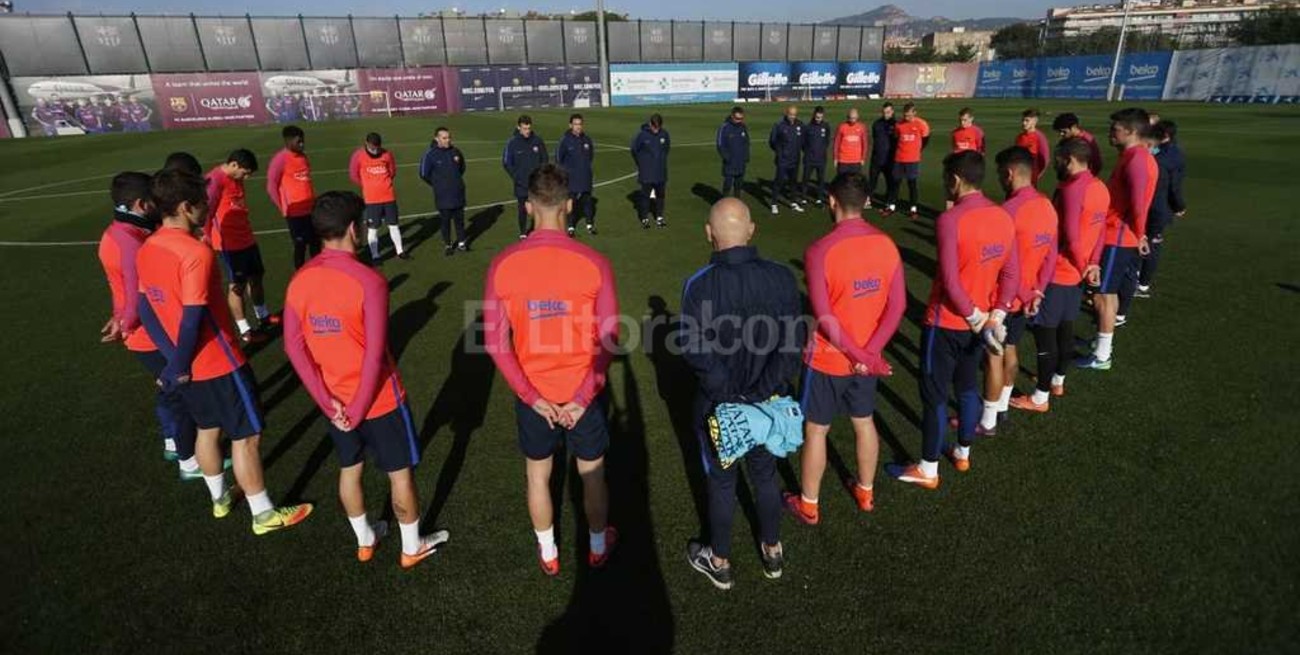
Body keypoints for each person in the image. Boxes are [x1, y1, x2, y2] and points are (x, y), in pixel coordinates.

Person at [136, 169, 313, 533]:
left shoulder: (148, 247)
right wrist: (180, 362)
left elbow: (145, 308)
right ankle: (263, 515)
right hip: (219, 363)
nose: (208, 207)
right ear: (185, 207)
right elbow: (192, 317)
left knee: (207, 429)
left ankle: (219, 499)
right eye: (203, 202)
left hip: (186, 366)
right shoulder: (195, 252)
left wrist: (173, 361)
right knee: (246, 436)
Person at [283, 191, 450, 568]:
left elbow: (294, 348)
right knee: (400, 474)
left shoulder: (299, 280)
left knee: (350, 467)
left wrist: (328, 403)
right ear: (353, 229)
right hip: (379, 400)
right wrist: (358, 407)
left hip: (334, 402)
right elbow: (374, 353)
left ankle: (365, 540)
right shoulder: (369, 281)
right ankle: (411, 547)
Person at [483, 163, 619, 577]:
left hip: (535, 393)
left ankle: (548, 553)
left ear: (528, 207)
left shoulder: (503, 263)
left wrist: (531, 397)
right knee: (591, 474)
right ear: (569, 205)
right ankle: (597, 546)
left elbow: (495, 342)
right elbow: (610, 338)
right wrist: (581, 398)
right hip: (584, 393)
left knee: (537, 475)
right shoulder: (594, 261)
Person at [680, 198, 806, 590]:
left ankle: (719, 560)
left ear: (709, 233)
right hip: (765, 403)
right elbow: (792, 346)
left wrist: (731, 394)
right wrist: (760, 392)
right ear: (751, 230)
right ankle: (772, 550)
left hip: (723, 404)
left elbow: (695, 349)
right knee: (764, 474)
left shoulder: (699, 284)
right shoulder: (782, 277)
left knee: (722, 481)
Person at [889, 151, 1018, 487]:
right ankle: (963, 453)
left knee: (934, 395)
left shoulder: (951, 219)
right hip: (983, 324)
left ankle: (928, 469)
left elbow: (950, 280)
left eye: (947, 178)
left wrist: (976, 318)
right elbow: (1011, 273)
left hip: (946, 322)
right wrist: (995, 316)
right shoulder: (1003, 216)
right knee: (967, 387)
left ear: (956, 179)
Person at [783, 173, 905, 525]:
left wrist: (858, 356)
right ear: (866, 201)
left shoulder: (819, 250)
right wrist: (870, 355)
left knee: (816, 430)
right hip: (868, 357)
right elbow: (897, 306)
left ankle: (809, 504)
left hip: (829, 358)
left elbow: (825, 316)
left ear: (832, 201)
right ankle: (866, 491)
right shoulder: (887, 244)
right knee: (864, 421)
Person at [98, 171, 198, 476]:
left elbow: (121, 288)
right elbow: (136, 296)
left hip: (140, 332)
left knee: (167, 387)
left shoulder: (119, 233)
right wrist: (124, 321)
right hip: (148, 335)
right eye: (154, 202)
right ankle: (188, 460)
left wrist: (120, 318)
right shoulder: (130, 243)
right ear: (142, 204)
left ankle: (171, 441)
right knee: (180, 391)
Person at [1010, 138, 1109, 412]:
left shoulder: (1072, 189)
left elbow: (1072, 237)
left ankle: (1040, 398)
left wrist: (1083, 265)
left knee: (1045, 337)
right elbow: (1101, 230)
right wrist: (1092, 264)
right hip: (1078, 275)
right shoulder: (1100, 187)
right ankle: (1057, 381)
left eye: (1058, 160)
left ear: (1070, 160)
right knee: (1065, 330)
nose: (1055, 164)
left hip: (1060, 272)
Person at [977, 147, 1057, 433]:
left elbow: (1002, 264)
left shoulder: (1009, 211)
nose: (999, 179)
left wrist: (1024, 293)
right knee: (1010, 349)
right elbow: (1051, 255)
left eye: (1000, 174)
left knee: (993, 358)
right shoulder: (1047, 205)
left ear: (1009, 173)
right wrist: (1037, 292)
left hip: (1003, 298)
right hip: (1028, 298)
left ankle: (987, 420)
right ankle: (1001, 409)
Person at [1077, 107, 1156, 369]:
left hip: (1117, 236)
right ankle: (1102, 344)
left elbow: (1138, 205)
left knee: (1102, 294)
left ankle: (1102, 355)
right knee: (1107, 294)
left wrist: (1140, 234)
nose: (1110, 133)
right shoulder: (1132, 157)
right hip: (1117, 234)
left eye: (1116, 129)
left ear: (1131, 132)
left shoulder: (1137, 160)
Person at [205, 149, 277, 345]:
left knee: (257, 276)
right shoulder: (215, 181)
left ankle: (262, 315)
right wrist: (207, 239)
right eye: (245, 173)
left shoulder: (235, 177)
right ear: (234, 165)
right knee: (237, 286)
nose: (246, 177)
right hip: (229, 245)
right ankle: (245, 330)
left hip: (247, 238)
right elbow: (206, 213)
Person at [1135, 120, 1187, 298]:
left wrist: (1179, 205)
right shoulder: (1170, 152)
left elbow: (1174, 186)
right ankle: (1139, 280)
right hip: (1157, 207)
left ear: (1164, 136)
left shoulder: (1164, 158)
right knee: (1147, 243)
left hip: (1156, 209)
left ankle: (1142, 284)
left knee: (1150, 244)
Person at [349, 132, 406, 263]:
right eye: (372, 148)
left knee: (393, 225)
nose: (375, 150)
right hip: (372, 199)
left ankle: (400, 251)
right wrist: (367, 185)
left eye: (377, 148)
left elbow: (392, 171)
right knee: (373, 228)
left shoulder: (387, 154)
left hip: (389, 196)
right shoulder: (358, 155)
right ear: (367, 144)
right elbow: (353, 175)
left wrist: (384, 183)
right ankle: (375, 255)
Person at [266, 125, 318, 269]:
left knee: (315, 244)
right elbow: (271, 186)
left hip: (311, 210)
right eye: (298, 142)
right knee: (300, 246)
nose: (302, 144)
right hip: (295, 213)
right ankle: (300, 274)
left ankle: (317, 272)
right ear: (288, 142)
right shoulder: (280, 159)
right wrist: (283, 207)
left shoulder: (303, 156)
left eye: (303, 141)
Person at [418, 126, 469, 256]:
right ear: (437, 139)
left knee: (459, 220)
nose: (448, 140)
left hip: (458, 192)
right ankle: (448, 244)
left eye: (449, 137)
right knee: (445, 221)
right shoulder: (430, 154)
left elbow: (462, 168)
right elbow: (423, 173)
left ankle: (462, 242)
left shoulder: (456, 151)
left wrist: (455, 180)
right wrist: (437, 184)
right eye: (444, 138)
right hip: (443, 195)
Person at [502, 114, 548, 240]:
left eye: (529, 128)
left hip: (536, 183)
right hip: (521, 184)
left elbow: (544, 159)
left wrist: (541, 175)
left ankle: (538, 230)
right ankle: (523, 232)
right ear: (519, 127)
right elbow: (506, 163)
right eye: (524, 128)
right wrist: (516, 176)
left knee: (538, 208)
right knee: (522, 208)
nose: (527, 131)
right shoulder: (512, 143)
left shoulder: (537, 141)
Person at [886, 102, 930, 219]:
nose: (907, 118)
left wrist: (917, 150)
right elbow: (896, 139)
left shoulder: (922, 124)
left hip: (913, 159)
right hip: (899, 158)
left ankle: (913, 209)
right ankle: (891, 206)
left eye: (909, 115)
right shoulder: (899, 125)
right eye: (905, 115)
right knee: (895, 183)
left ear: (915, 113)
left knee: (912, 184)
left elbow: (925, 139)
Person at [556, 113, 597, 237]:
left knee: (587, 201)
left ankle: (589, 224)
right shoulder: (565, 141)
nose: (578, 127)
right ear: (570, 125)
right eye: (575, 124)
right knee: (570, 203)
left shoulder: (587, 140)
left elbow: (590, 156)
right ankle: (570, 226)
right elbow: (559, 159)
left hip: (585, 177)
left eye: (580, 124)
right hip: (571, 179)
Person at [630, 113, 671, 229]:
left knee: (660, 195)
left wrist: (660, 160)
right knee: (645, 196)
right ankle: (644, 218)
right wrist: (641, 163)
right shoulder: (642, 135)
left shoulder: (664, 134)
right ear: (650, 124)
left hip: (660, 171)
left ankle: (659, 217)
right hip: (646, 172)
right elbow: (634, 150)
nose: (656, 130)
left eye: (658, 128)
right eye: (654, 127)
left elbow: (667, 148)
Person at [767, 105, 805, 215]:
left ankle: (793, 202)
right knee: (779, 181)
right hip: (783, 160)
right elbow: (772, 141)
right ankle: (774, 203)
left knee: (793, 182)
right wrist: (780, 152)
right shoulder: (779, 125)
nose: (792, 117)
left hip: (795, 159)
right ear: (786, 113)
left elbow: (803, 140)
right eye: (791, 114)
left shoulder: (800, 125)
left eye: (794, 115)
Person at [716, 106, 750, 199]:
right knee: (728, 183)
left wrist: (746, 156)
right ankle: (724, 201)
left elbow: (746, 142)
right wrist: (727, 157)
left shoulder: (743, 127)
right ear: (732, 116)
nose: (739, 121)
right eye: (737, 118)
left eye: (741, 118)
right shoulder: (724, 127)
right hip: (730, 162)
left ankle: (737, 202)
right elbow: (720, 144)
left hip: (741, 161)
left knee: (739, 184)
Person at [867, 103, 897, 207]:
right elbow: (875, 139)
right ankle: (868, 200)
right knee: (872, 181)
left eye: (888, 112)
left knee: (890, 182)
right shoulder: (876, 124)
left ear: (892, 112)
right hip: (876, 158)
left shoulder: (896, 125)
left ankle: (889, 202)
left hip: (890, 159)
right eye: (884, 112)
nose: (885, 114)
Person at [802, 106, 831, 206]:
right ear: (814, 115)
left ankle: (819, 198)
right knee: (806, 178)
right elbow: (803, 143)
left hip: (821, 159)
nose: (818, 119)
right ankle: (803, 197)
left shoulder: (826, 126)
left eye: (820, 117)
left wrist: (821, 150)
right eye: (817, 117)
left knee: (820, 179)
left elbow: (827, 140)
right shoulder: (807, 127)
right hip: (809, 158)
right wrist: (808, 151)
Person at [1015, 109, 1052, 188]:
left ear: (1035, 121)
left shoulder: (1039, 137)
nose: (1024, 123)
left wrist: (1036, 175)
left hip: (1031, 176)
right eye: (1023, 120)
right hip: (1018, 175)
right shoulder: (1019, 137)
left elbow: (1045, 158)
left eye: (1027, 120)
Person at [833, 107, 868, 176]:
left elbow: (865, 144)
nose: (852, 120)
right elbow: (836, 143)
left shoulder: (861, 127)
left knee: (855, 181)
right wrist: (835, 158)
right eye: (850, 118)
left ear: (857, 117)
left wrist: (863, 158)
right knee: (842, 180)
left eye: (854, 118)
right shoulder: (842, 127)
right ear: (847, 117)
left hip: (856, 161)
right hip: (843, 160)